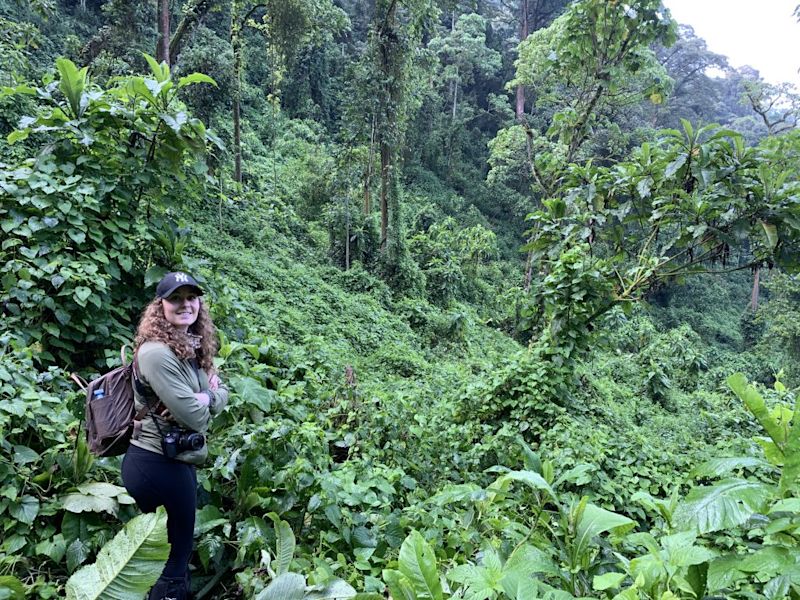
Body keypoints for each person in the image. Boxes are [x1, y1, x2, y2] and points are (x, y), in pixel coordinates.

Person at [121, 272, 228, 600]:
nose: (186, 305)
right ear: (161, 306)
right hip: (156, 464)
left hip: (173, 461)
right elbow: (196, 418)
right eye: (176, 298)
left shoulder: (188, 347)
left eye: (191, 297)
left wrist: (209, 397)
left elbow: (223, 392)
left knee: (166, 555)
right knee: (174, 559)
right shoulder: (156, 353)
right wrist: (207, 398)